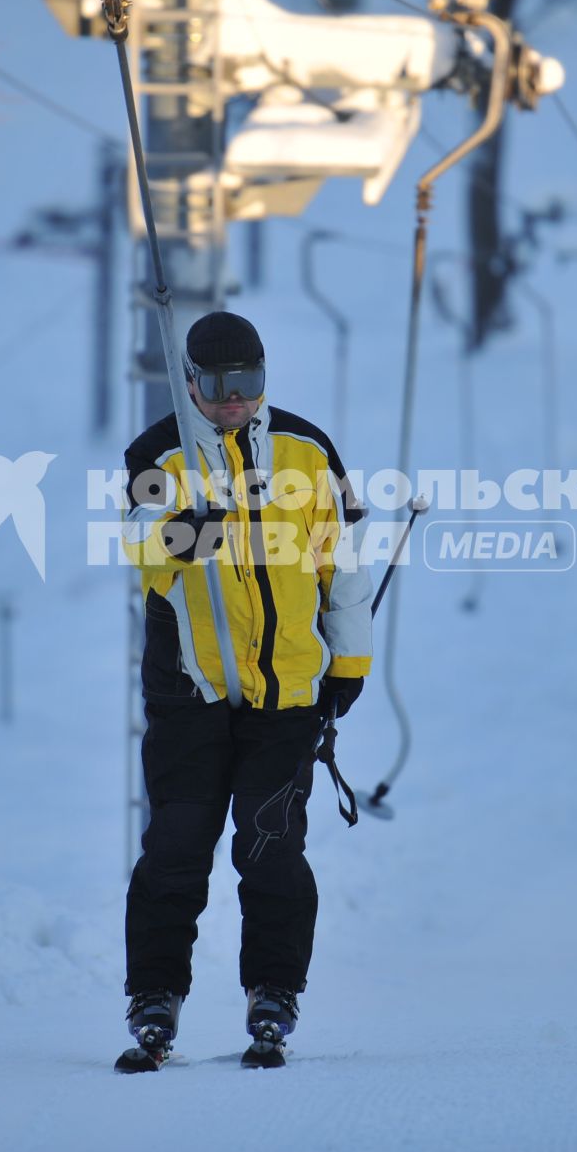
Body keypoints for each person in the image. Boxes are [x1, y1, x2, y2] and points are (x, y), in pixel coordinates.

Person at [116, 310, 372, 1072]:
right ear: (190, 379)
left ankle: (274, 992)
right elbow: (142, 552)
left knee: (269, 850)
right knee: (175, 847)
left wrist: (348, 664)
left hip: (286, 693)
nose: (236, 400)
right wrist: (192, 528)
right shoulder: (155, 453)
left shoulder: (306, 448)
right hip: (189, 691)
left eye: (250, 384)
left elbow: (343, 564)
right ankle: (155, 995)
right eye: (221, 386)